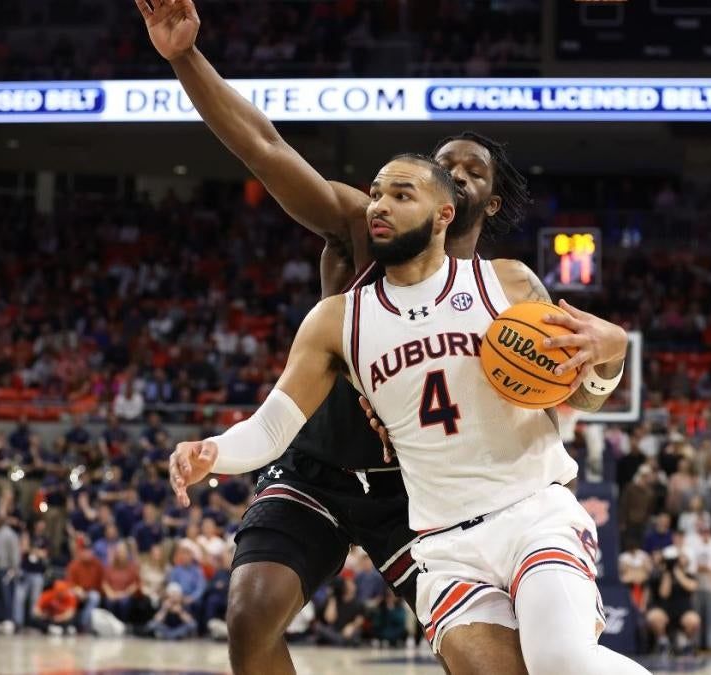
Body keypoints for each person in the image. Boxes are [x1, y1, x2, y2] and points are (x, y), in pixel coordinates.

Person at [136, 2, 543, 672]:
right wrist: (185, 57)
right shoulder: (364, 225)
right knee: (249, 612)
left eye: (473, 170)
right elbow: (264, 148)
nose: (456, 173)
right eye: (444, 163)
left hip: (421, 494)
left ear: (485, 203)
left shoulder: (502, 293)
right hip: (317, 470)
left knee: (490, 660)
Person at [169, 154, 644, 674]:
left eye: (401, 195)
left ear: (444, 214)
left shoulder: (506, 284)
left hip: (532, 512)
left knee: (560, 661)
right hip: (444, 544)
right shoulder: (337, 320)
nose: (380, 206)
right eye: (376, 193)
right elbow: (273, 425)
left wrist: (613, 350)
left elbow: (580, 389)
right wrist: (213, 451)